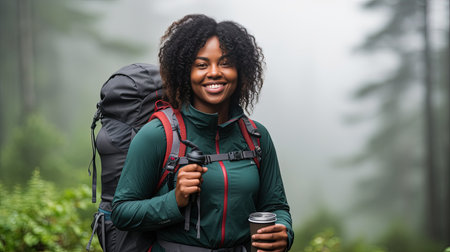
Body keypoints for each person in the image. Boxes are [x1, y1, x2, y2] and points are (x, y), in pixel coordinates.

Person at [112, 14, 294, 251]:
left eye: (225, 63)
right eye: (201, 65)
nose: (214, 72)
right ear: (186, 73)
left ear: (241, 71)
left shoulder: (257, 137)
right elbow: (122, 212)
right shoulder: (158, 134)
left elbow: (276, 206)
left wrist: (284, 232)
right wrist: (174, 200)